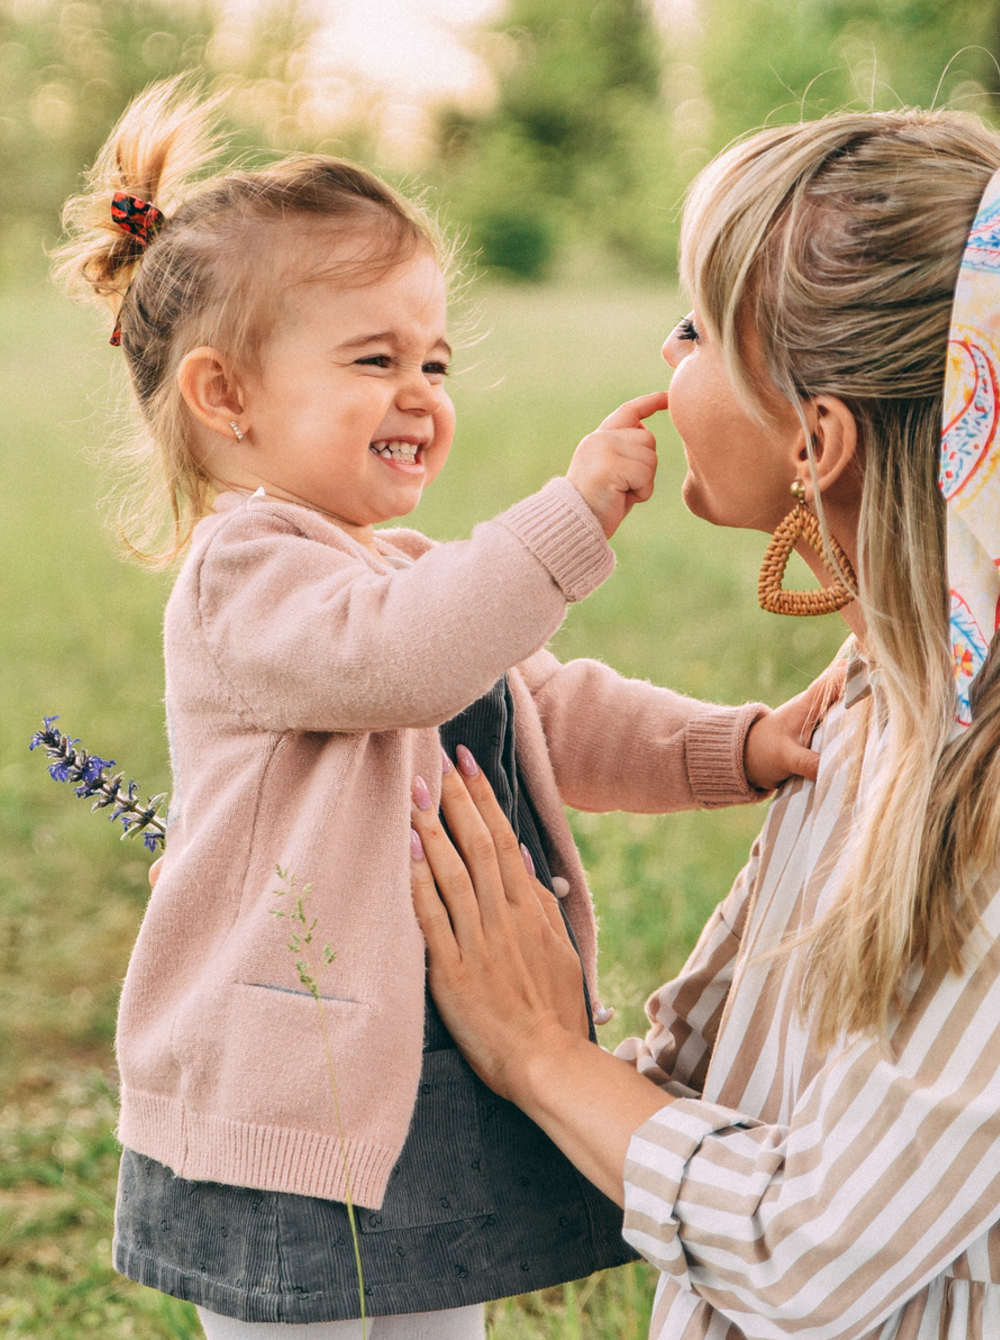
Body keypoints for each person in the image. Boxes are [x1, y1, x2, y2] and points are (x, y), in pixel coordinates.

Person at [410, 111, 1000, 1340]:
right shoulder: (878, 695)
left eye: (695, 327)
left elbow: (809, 1255)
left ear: (817, 440)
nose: (665, 354)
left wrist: (537, 1050)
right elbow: (692, 1081)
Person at [52, 80, 829, 1340]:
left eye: (434, 360)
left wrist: (734, 746)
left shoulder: (400, 577)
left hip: (422, 1060)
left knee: (431, 1319)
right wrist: (572, 520)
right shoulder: (244, 577)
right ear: (225, 398)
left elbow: (556, 710)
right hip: (291, 1093)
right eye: (373, 360)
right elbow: (409, 662)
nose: (421, 391)